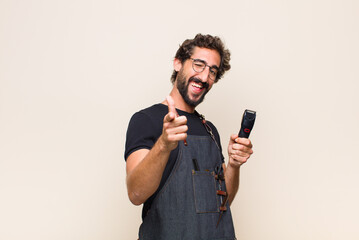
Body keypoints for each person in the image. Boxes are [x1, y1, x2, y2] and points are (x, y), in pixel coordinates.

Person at [125, 33, 253, 240]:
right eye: (198, 65)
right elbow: (136, 194)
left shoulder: (210, 130)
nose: (204, 77)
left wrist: (234, 165)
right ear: (178, 63)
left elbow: (222, 203)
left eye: (212, 71)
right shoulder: (146, 120)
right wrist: (164, 145)